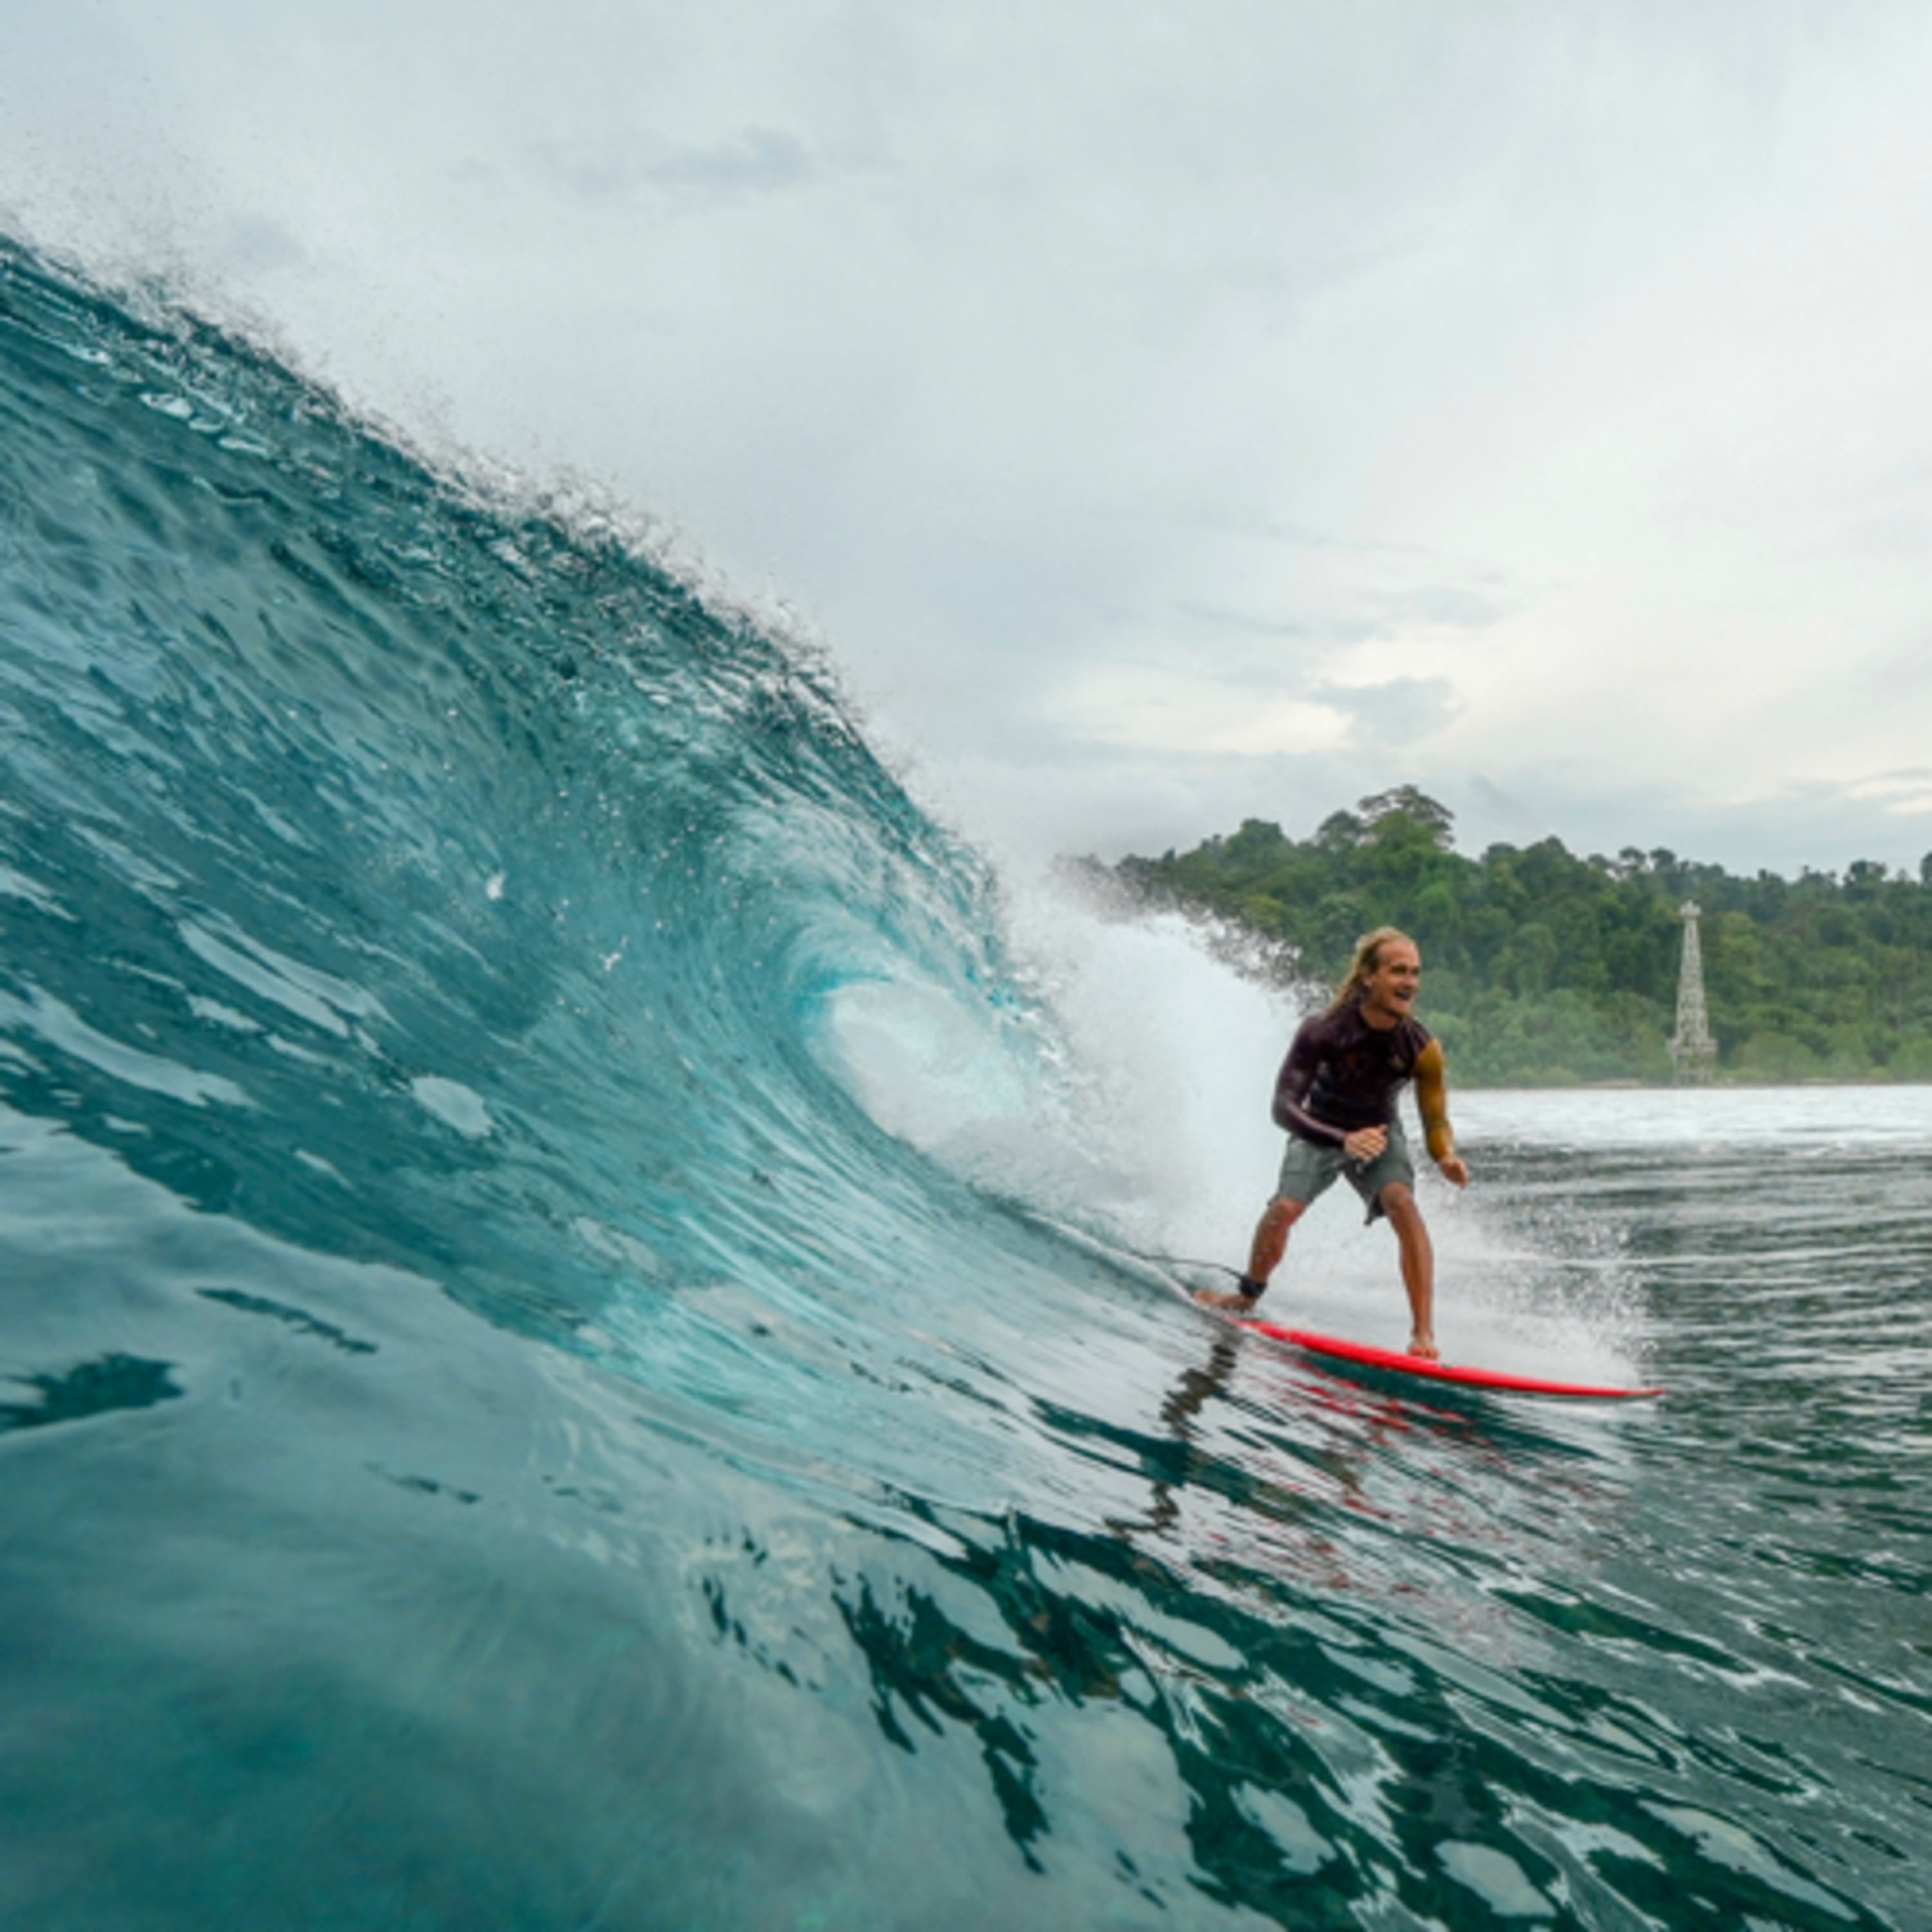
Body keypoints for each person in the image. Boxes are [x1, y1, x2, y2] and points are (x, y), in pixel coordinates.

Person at [1197, 927, 1468, 1358]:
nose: (1410, 982)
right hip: (1319, 1128)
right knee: (1285, 1209)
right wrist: (1342, 1139)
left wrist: (1445, 1156)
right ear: (1368, 977)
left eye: (1415, 973)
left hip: (1380, 1134)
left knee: (1403, 1205)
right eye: (1398, 971)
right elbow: (1283, 1108)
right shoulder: (1323, 1031)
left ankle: (1423, 1336)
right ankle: (1247, 1294)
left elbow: (1435, 1119)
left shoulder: (1421, 1047)